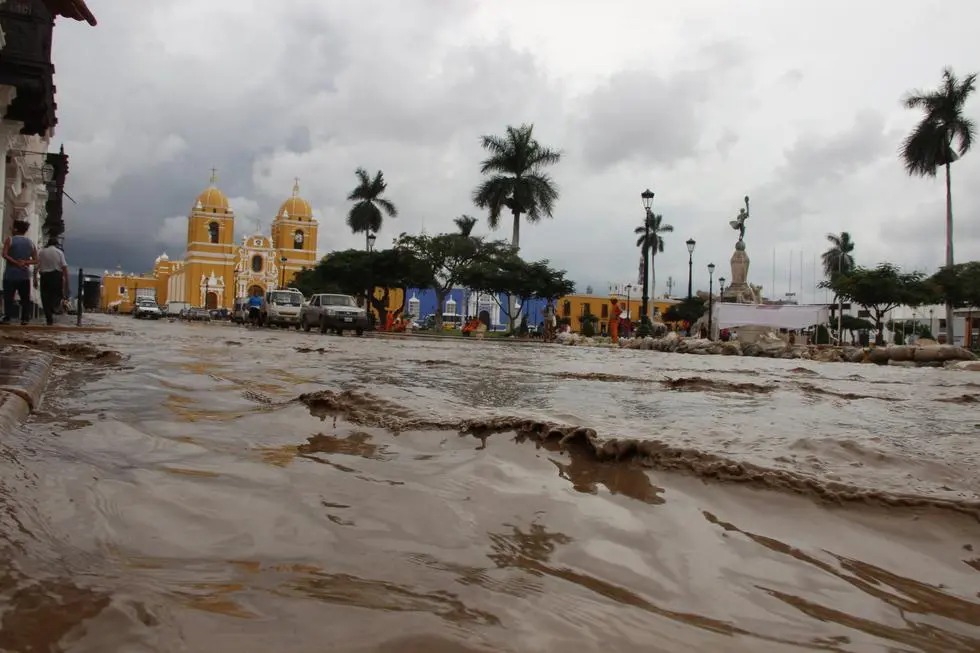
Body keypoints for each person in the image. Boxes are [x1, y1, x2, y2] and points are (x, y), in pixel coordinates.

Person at [2, 220, 37, 325]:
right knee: (25, 298)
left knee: (8, 296)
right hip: (24, 275)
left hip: (10, 274)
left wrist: (15, 262)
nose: (11, 229)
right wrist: (25, 262)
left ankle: (7, 317)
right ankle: (25, 318)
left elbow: (4, 254)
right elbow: (36, 260)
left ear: (16, 229)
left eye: (13, 227)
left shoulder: (10, 240)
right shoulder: (31, 243)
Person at [34, 237, 69, 326]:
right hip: (56, 276)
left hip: (44, 276)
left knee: (45, 297)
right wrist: (66, 280)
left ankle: (49, 318)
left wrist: (35, 278)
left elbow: (37, 266)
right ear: (56, 244)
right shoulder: (59, 252)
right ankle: (54, 307)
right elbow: (64, 267)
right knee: (57, 295)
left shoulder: (41, 252)